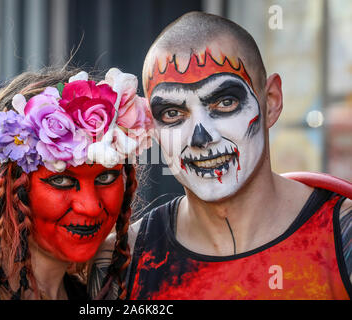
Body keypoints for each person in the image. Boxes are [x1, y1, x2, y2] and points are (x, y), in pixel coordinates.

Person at [90, 12, 352, 300]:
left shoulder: (342, 235)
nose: (201, 137)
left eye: (225, 102)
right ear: (152, 127)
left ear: (271, 102)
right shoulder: (123, 261)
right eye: (173, 113)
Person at [0, 66, 153, 300]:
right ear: (4, 185)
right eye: (62, 180)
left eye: (106, 177)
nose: (91, 206)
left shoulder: (90, 294)